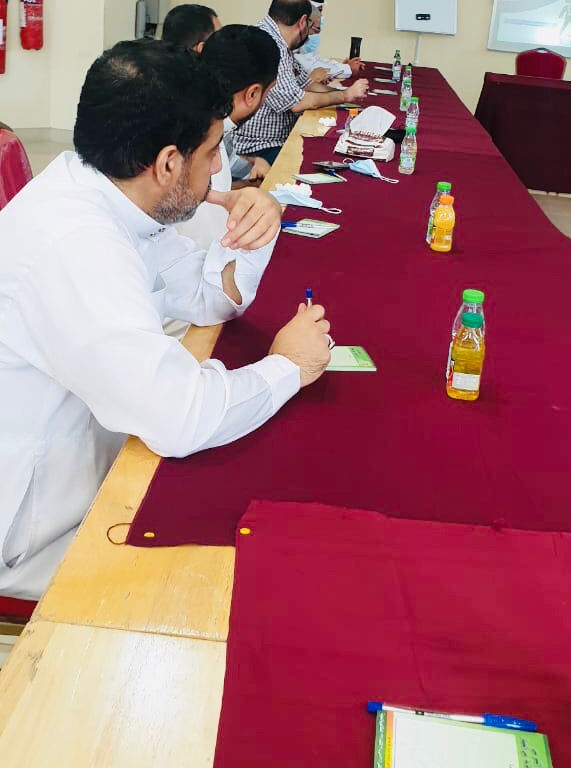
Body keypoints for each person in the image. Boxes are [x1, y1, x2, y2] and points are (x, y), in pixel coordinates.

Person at [0, 40, 331, 598]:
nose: (220, 170)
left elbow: (209, 296)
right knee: (242, 576)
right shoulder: (77, 246)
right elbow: (181, 418)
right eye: (213, 152)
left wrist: (255, 227)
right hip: (35, 530)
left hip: (88, 454)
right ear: (169, 163)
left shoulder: (106, 190)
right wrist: (288, 367)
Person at [234, 0, 369, 166]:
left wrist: (347, 96)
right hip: (259, 148)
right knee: (326, 159)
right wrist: (344, 96)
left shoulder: (276, 38)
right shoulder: (269, 44)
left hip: (275, 140)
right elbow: (297, 103)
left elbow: (307, 84)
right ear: (303, 21)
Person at [183, 24, 280, 251]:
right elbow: (213, 245)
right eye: (268, 93)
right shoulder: (203, 145)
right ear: (253, 93)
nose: (215, 164)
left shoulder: (202, 121)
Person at [294, 0, 352, 82]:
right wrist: (347, 68)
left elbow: (315, 59)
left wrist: (342, 66)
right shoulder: (291, 39)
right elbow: (310, 68)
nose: (320, 17)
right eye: (318, 12)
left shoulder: (303, 39)